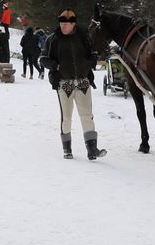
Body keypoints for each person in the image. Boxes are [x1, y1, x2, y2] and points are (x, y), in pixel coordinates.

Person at [40, 10, 106, 161]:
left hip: (83, 82)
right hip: (64, 84)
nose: (63, 26)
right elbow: (43, 59)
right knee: (67, 117)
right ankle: (67, 149)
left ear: (73, 24)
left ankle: (92, 149)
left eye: (66, 24)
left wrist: (90, 63)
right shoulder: (53, 39)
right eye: (61, 23)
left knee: (87, 115)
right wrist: (56, 67)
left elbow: (93, 54)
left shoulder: (84, 37)